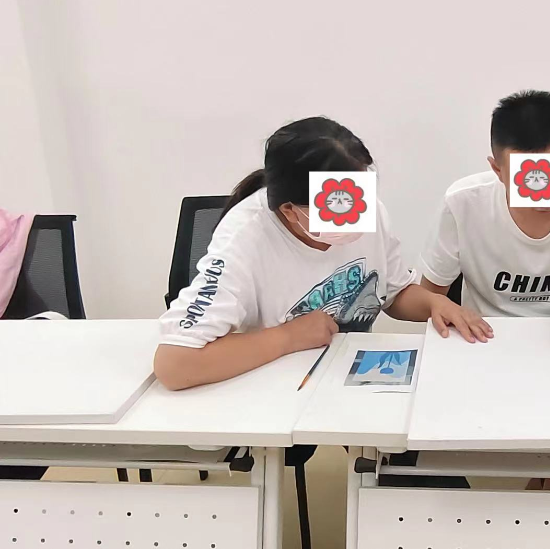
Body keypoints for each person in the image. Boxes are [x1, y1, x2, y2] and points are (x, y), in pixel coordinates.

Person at [155, 116, 490, 391]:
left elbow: (393, 292)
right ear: (289, 210)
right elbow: (174, 364)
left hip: (346, 376)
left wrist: (433, 303)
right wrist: (288, 337)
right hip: (275, 383)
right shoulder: (243, 239)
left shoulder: (370, 212)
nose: (357, 214)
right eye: (336, 207)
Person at [418, 90, 550, 320]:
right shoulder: (462, 203)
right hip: (485, 334)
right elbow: (430, 301)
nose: (544, 195)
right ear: (497, 170)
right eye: (528, 181)